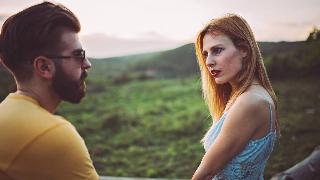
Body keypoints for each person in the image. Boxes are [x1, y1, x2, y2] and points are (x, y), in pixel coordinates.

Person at [0, 2, 99, 180]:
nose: (87, 64)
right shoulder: (52, 134)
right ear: (44, 66)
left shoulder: (5, 112)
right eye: (78, 55)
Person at [191, 14, 279, 180]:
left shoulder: (250, 101)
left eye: (217, 50)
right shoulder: (246, 95)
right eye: (205, 54)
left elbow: (206, 173)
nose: (209, 61)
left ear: (243, 50)